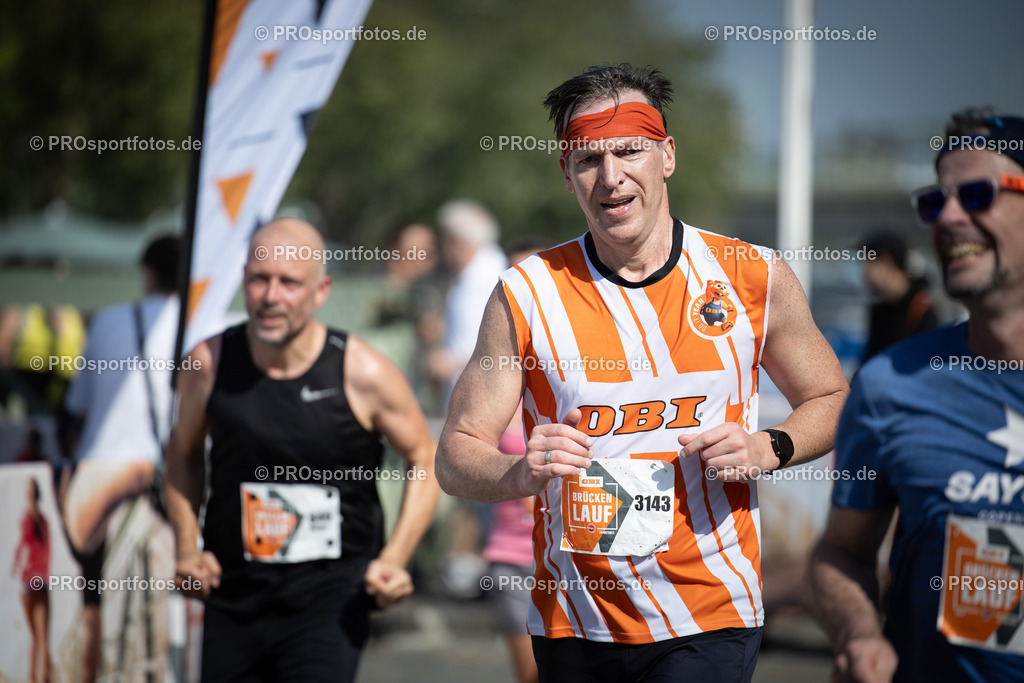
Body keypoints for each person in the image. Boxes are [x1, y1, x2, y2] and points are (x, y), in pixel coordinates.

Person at [436, 63, 848, 682]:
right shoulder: (527, 293)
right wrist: (519, 471)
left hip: (709, 612)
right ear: (566, 174)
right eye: (587, 159)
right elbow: (455, 455)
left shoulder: (751, 276)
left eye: (629, 150)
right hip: (577, 619)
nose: (611, 177)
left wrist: (770, 446)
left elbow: (834, 397)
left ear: (667, 155)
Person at [165, 218, 441, 682]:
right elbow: (182, 454)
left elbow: (425, 458)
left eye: (289, 283)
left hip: (329, 602)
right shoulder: (208, 364)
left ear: (320, 291)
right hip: (234, 596)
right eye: (259, 279)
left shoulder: (362, 371)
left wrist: (394, 558)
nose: (271, 296)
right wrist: (188, 546)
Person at [809, 109, 1024, 682]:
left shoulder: (916, 308)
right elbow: (842, 552)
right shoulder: (890, 386)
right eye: (935, 202)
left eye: (978, 194)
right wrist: (859, 634)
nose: (950, 217)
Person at [60, 234, 181, 683]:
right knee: (153, 622)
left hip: (92, 484)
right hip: (157, 486)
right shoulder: (203, 325)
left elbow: (75, 411)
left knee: (91, 608)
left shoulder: (108, 321)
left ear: (147, 273)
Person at [483, 239, 550, 683]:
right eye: (509, 276)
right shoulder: (490, 370)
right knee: (532, 677)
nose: (518, 288)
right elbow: (452, 456)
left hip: (576, 552)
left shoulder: (581, 370)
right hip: (513, 555)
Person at [860, 232, 939, 362]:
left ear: (886, 261)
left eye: (868, 263)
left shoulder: (920, 307)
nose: (865, 274)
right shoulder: (880, 312)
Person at [12, 478, 52, 683]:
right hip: (38, 582)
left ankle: (33, 678)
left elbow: (20, 549)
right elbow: (47, 553)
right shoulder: (41, 522)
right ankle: (42, 678)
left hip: (27, 584)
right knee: (41, 638)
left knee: (36, 638)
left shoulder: (28, 520)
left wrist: (16, 569)